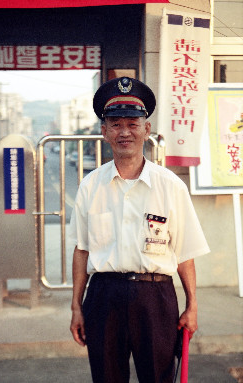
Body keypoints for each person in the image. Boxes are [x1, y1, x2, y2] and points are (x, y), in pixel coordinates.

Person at [69, 77, 210, 383]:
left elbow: (184, 252)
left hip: (155, 298)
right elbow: (81, 251)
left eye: (132, 123)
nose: (124, 132)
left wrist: (192, 305)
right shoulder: (91, 186)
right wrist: (76, 307)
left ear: (146, 130)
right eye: (115, 123)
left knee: (158, 378)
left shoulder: (170, 186)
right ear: (104, 132)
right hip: (104, 297)